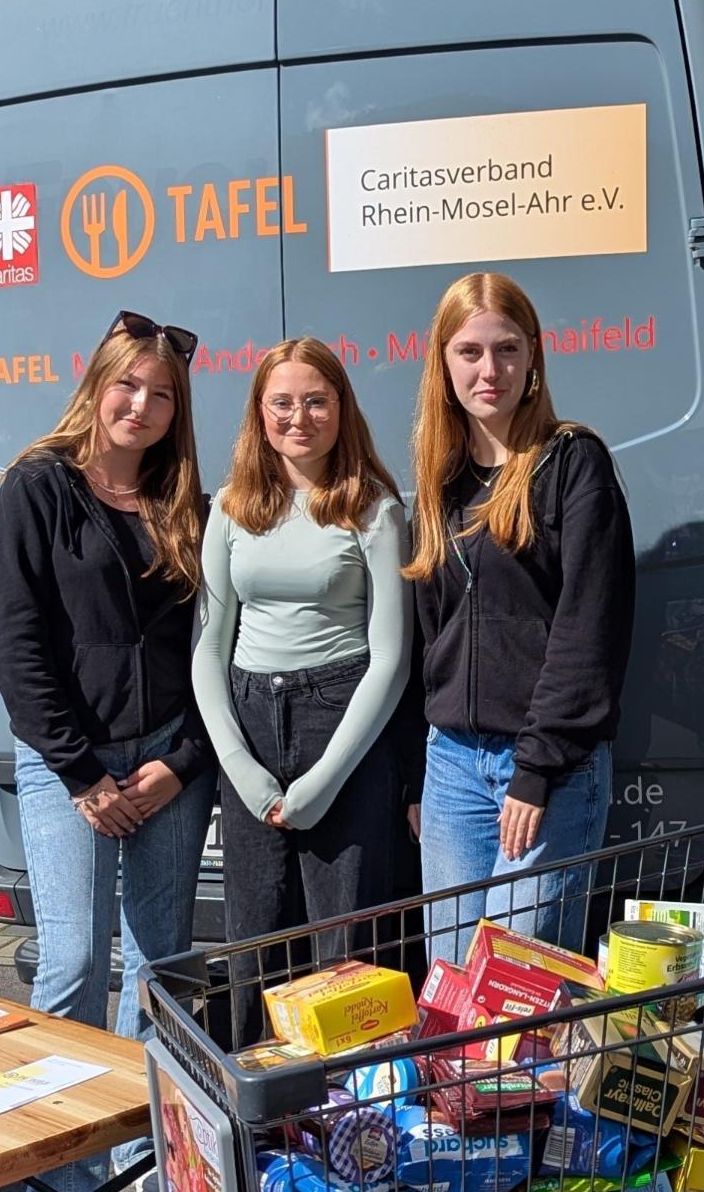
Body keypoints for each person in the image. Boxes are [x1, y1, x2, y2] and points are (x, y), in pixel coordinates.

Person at [0, 310, 214, 1192]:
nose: (143, 406)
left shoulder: (184, 500)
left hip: (168, 758)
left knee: (161, 967)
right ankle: (57, 1186)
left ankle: (139, 1159)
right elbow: (15, 643)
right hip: (68, 761)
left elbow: (217, 649)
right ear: (98, 382)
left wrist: (183, 759)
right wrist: (83, 774)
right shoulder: (37, 488)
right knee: (74, 962)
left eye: (162, 395)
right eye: (130, 385)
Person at [403, 272, 636, 958]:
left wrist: (535, 770)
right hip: (450, 765)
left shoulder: (572, 463)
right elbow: (428, 639)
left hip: (546, 770)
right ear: (442, 363)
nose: (490, 369)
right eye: (469, 352)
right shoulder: (440, 482)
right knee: (450, 976)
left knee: (518, 988)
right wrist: (415, 782)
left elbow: (589, 631)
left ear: (533, 354)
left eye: (506, 349)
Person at [191, 338, 410, 1025]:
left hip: (340, 720)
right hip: (250, 726)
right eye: (282, 402)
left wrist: (326, 779)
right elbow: (208, 648)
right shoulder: (230, 507)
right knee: (255, 943)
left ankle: (348, 1116)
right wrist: (240, 769)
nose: (299, 417)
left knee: (343, 950)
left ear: (342, 408)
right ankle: (265, 1119)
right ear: (259, 413)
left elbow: (391, 657)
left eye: (317, 400)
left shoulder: (374, 508)